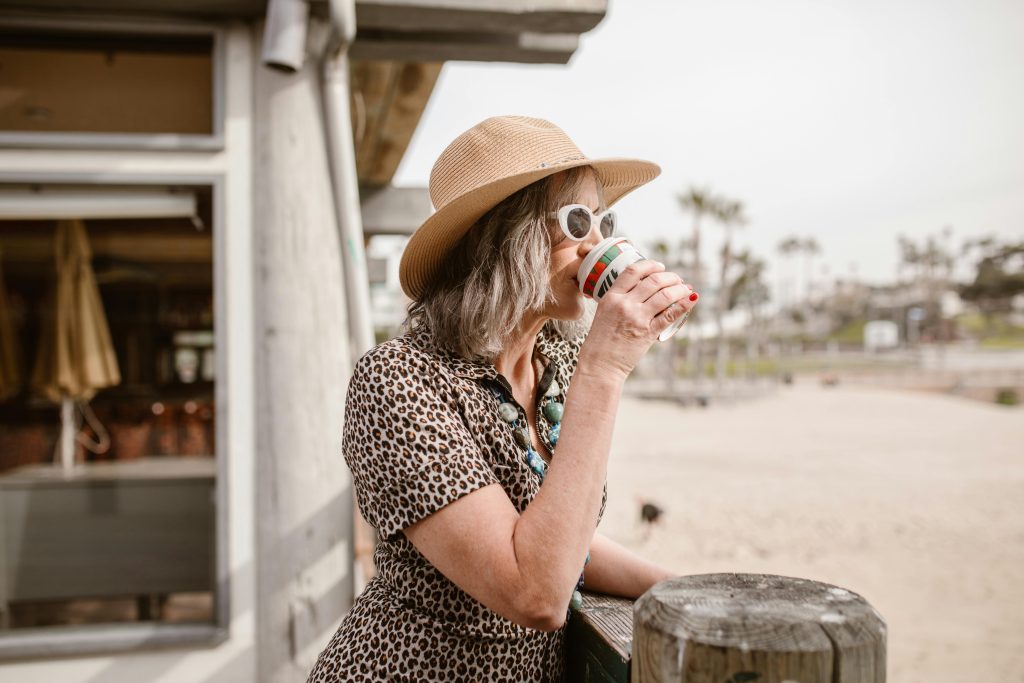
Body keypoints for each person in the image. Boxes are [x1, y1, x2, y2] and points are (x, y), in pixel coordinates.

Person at [307, 115, 698, 682]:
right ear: (502, 236)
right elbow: (534, 592)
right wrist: (606, 367)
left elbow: (568, 542)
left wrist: (682, 589)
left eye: (603, 220)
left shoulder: (556, 365)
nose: (598, 243)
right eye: (577, 220)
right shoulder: (397, 381)